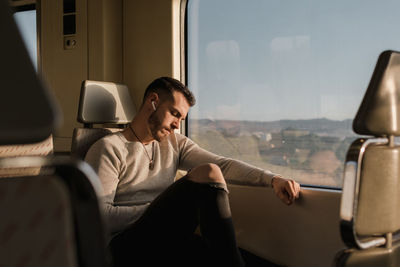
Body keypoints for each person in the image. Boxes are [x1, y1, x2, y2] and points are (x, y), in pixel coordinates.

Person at [85, 77, 301, 267]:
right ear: (153, 102)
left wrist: (272, 178)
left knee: (247, 259)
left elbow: (224, 165)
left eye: (181, 119)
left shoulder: (175, 144)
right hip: (123, 249)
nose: (177, 125)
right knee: (208, 173)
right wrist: (159, 209)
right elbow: (100, 218)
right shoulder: (108, 148)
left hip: (168, 240)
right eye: (174, 114)